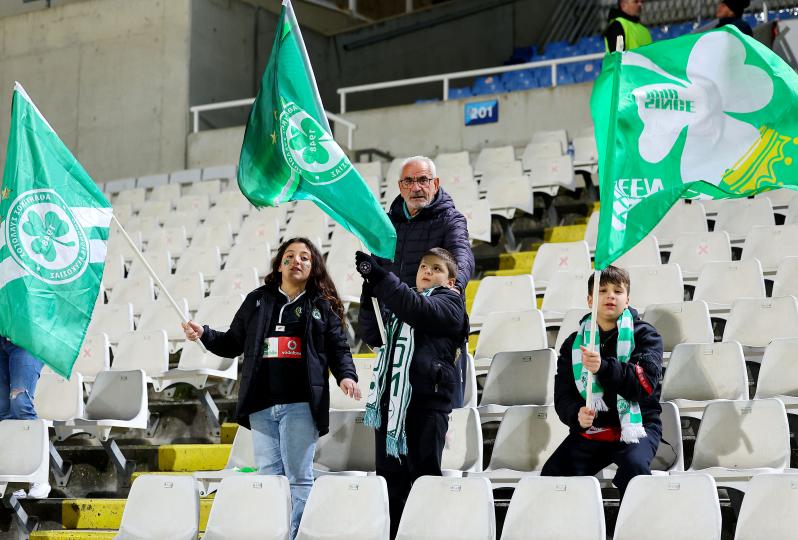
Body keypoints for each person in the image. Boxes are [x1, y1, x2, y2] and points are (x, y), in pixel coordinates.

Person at [182, 237, 360, 539]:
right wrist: (205, 334)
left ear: (313, 266)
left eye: (305, 257)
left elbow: (338, 348)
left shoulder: (321, 304)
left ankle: (296, 535)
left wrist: (346, 376)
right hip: (261, 405)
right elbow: (232, 342)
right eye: (290, 256)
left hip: (301, 404)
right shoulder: (258, 300)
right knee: (269, 478)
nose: (296, 261)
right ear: (279, 265)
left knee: (299, 478)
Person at [356, 247, 468, 539]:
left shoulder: (451, 304)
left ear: (451, 281)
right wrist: (369, 292)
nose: (427, 271)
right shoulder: (402, 305)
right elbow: (372, 335)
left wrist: (381, 277)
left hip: (426, 406)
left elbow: (419, 310)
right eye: (423, 267)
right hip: (391, 408)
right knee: (390, 488)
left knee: (424, 486)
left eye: (436, 268)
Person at [540, 266, 663, 499]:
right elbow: (563, 394)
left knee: (635, 469)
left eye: (618, 291)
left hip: (637, 428)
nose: (610, 296)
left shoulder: (646, 335)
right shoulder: (574, 343)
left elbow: (644, 385)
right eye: (602, 291)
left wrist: (604, 367)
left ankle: (635, 521)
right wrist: (576, 414)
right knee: (553, 474)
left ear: (627, 300)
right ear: (590, 300)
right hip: (594, 429)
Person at [377, 155, 475, 406]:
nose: (416, 187)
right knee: (396, 418)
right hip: (396, 337)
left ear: (435, 183)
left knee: (441, 420)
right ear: (400, 186)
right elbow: (375, 283)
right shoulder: (386, 225)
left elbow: (462, 257)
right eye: (409, 181)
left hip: (436, 339)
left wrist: (454, 288)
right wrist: (372, 333)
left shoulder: (451, 219)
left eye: (423, 180)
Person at [0, 335, 50, 499]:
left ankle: (39, 478)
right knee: (3, 410)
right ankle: (15, 481)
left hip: (27, 338)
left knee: (20, 403)